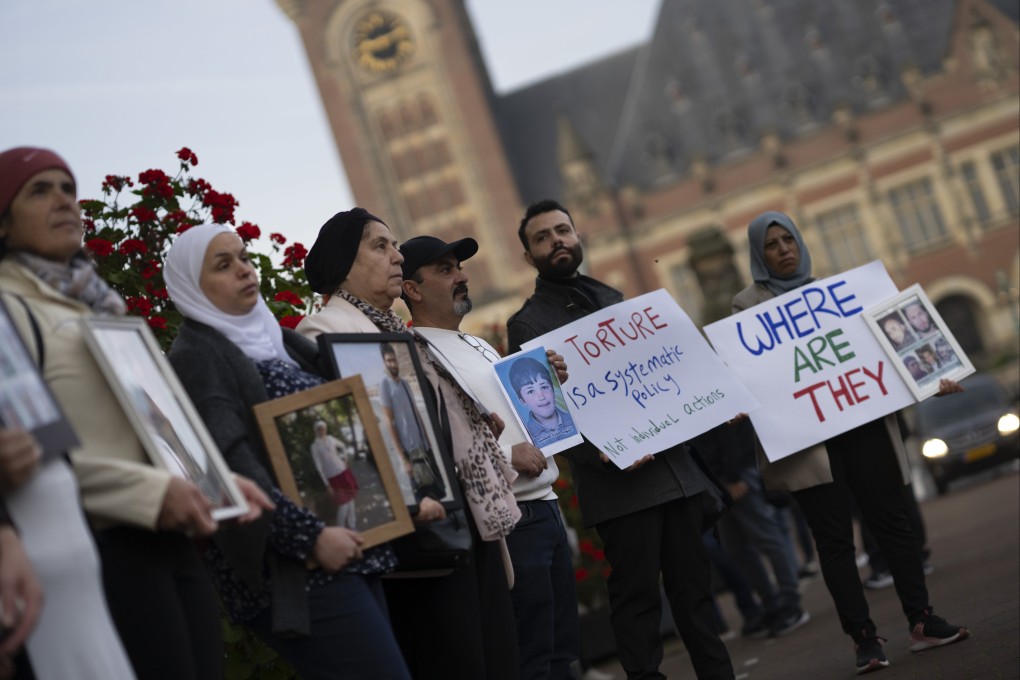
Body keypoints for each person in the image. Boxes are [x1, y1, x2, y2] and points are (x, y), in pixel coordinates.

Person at [0, 147, 272, 680]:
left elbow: (153, 426)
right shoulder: (10, 309)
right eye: (39, 190)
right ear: (4, 224)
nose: (62, 200)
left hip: (169, 537)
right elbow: (31, 453)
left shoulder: (98, 303)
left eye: (66, 187)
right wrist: (150, 493)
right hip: (97, 545)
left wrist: (217, 481)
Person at [164, 222, 412, 680]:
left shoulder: (275, 340)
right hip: (298, 568)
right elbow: (228, 465)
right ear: (190, 286)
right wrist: (311, 536)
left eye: (242, 256)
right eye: (223, 264)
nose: (243, 269)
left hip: (345, 547)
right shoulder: (197, 355)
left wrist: (406, 493)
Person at [731, 210, 969, 674]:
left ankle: (921, 619)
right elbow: (752, 368)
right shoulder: (746, 307)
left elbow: (888, 347)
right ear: (759, 255)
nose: (783, 250)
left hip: (862, 424)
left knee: (893, 523)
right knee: (834, 540)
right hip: (810, 442)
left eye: (789, 240)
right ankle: (863, 638)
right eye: (772, 245)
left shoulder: (840, 293)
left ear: (800, 243)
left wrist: (933, 376)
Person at [507, 199, 734, 680]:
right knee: (637, 604)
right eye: (542, 237)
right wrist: (606, 455)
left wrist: (716, 400)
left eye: (562, 230)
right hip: (619, 486)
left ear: (577, 235)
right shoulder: (526, 325)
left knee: (696, 597)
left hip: (674, 471)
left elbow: (664, 373)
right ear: (529, 257)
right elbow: (544, 418)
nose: (557, 242)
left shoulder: (612, 297)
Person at [297, 208, 521, 679]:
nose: (397, 256)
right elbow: (351, 445)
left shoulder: (398, 330)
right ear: (344, 262)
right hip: (418, 536)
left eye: (394, 245)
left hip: (465, 519)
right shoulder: (323, 332)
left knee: (494, 659)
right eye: (380, 246)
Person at [398, 234, 580, 679]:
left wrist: (542, 379)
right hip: (511, 520)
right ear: (412, 289)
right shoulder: (414, 355)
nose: (461, 276)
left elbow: (513, 420)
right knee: (529, 656)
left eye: (458, 267)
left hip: (547, 510)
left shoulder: (477, 344)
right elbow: (430, 441)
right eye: (445, 270)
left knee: (561, 650)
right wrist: (505, 454)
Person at [691, 420, 811, 638]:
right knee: (735, 547)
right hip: (716, 479)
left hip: (734, 474)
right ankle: (772, 604)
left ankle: (790, 602)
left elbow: (726, 428)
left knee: (766, 537)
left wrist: (734, 474)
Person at [377, 342, 446, 500]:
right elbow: (389, 421)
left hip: (424, 447)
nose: (393, 364)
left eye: (394, 360)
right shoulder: (384, 384)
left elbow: (416, 412)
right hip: (410, 451)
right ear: (384, 361)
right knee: (423, 497)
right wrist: (403, 459)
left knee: (439, 492)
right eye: (389, 360)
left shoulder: (404, 383)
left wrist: (428, 441)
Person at [508, 356, 578, 448]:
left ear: (553, 389)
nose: (541, 397)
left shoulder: (576, 419)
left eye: (544, 387)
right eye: (530, 391)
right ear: (522, 401)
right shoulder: (524, 439)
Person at [309, 420, 357, 530]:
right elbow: (318, 466)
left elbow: (343, 446)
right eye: (319, 429)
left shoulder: (331, 439)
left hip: (343, 471)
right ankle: (341, 528)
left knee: (351, 498)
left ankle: (352, 526)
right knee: (343, 502)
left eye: (323, 428)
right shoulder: (314, 446)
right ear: (315, 431)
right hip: (332, 477)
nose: (321, 431)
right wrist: (327, 484)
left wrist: (345, 459)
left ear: (326, 429)